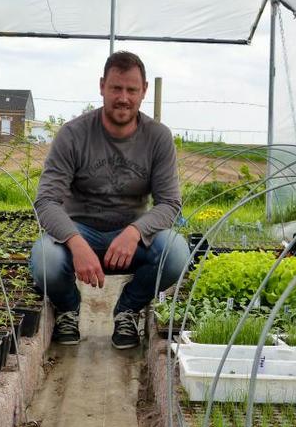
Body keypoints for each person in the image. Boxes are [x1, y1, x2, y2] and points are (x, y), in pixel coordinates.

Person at [30, 51, 190, 350]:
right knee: (45, 260)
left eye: (132, 90)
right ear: (102, 86)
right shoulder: (73, 134)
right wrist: (76, 243)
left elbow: (169, 203)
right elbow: (47, 201)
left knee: (177, 253)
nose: (123, 98)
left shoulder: (158, 138)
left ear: (143, 91)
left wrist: (135, 232)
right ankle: (68, 308)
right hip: (81, 233)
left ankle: (128, 309)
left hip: (131, 241)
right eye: (116, 88)